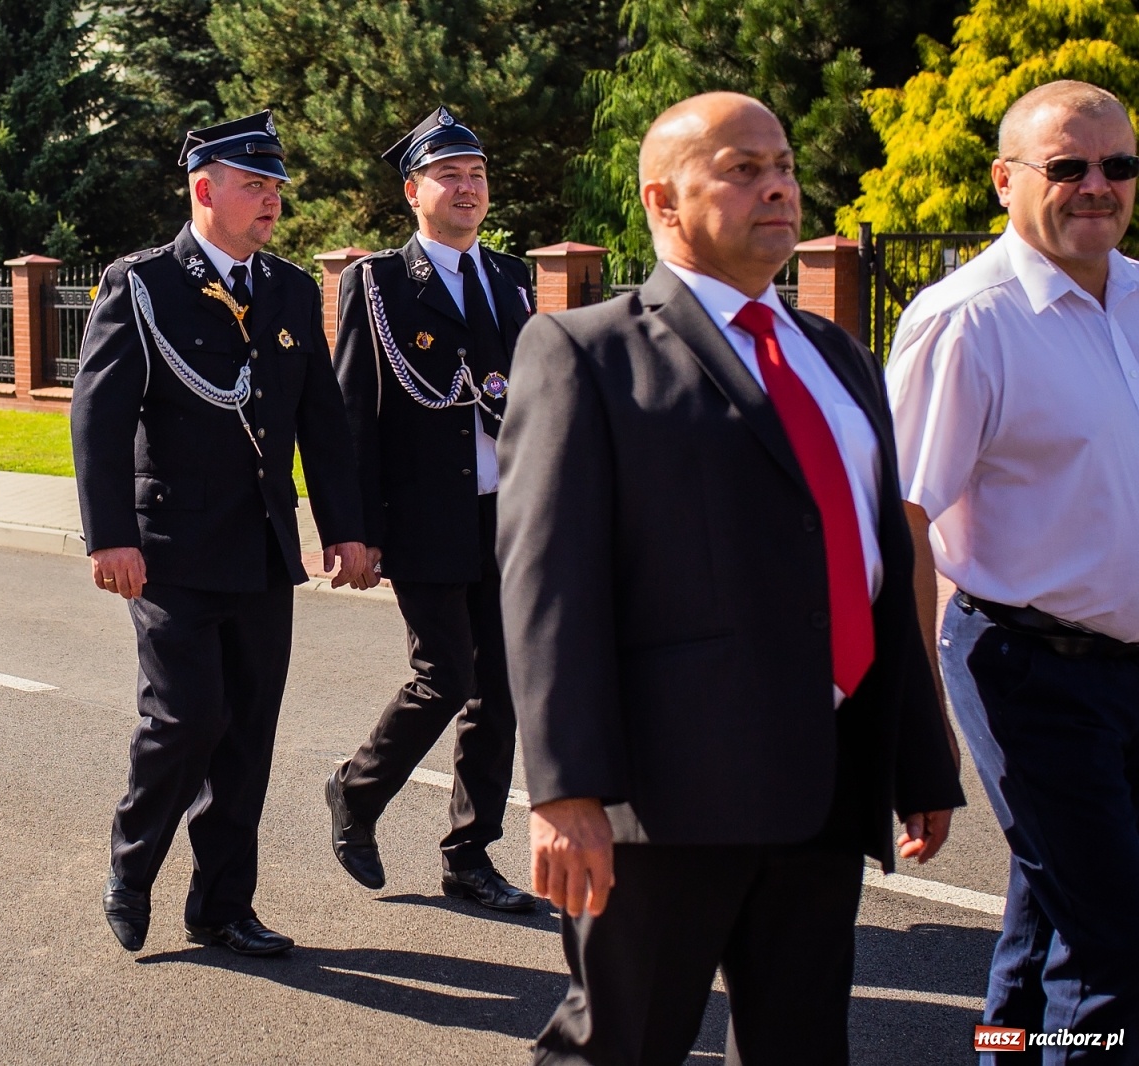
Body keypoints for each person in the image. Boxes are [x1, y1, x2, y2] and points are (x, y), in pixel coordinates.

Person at [496, 91, 964, 1065]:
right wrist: (566, 789)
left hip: (824, 786)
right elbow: (548, 583)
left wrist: (920, 756)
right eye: (742, 169)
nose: (779, 186)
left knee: (801, 1044)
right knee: (617, 1045)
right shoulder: (586, 352)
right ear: (663, 200)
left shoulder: (835, 353)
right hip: (668, 800)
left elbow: (876, 560)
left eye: (783, 164)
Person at [71, 110, 368, 958]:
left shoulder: (288, 289)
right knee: (185, 719)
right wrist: (109, 536)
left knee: (247, 734)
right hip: (168, 552)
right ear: (205, 190)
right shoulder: (141, 285)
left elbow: (323, 419)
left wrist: (344, 527)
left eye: (275, 186)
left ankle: (222, 906)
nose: (271, 199)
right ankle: (132, 868)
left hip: (263, 548)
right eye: (253, 184)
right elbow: (99, 420)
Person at [887, 80, 1139, 1063]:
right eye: (1066, 166)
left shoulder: (1136, 297)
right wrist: (915, 726)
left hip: (1125, 669)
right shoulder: (968, 320)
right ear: (1003, 180)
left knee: (1048, 920)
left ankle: (1001, 1051)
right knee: (1111, 938)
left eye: (1116, 166)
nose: (1096, 187)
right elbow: (902, 520)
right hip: (1025, 668)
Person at [323, 106, 537, 912]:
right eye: (450, 175)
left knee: (501, 692)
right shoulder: (378, 282)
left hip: (504, 518)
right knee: (444, 676)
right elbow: (353, 413)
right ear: (414, 191)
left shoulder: (511, 277)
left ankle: (469, 855)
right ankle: (357, 789)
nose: (468, 188)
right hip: (421, 517)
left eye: (477, 175)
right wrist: (356, 530)